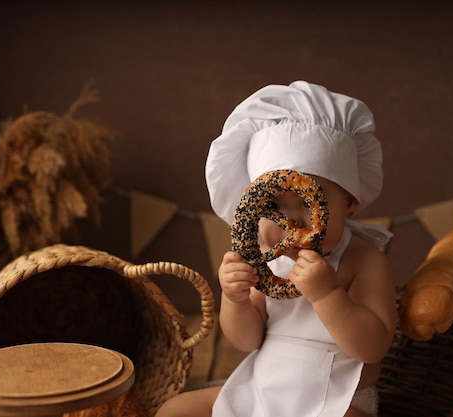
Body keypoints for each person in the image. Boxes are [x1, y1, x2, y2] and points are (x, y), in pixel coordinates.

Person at [156, 81, 397, 417]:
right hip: (262, 392)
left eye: (305, 202)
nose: (291, 221)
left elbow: (373, 347)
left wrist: (327, 295)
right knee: (175, 410)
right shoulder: (266, 262)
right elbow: (247, 341)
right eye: (274, 205)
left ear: (350, 203)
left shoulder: (365, 260)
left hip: (335, 401)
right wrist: (236, 299)